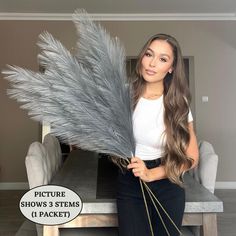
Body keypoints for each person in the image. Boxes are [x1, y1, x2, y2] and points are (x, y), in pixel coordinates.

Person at [116, 33, 199, 236]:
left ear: (171, 67)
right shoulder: (123, 96)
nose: (152, 63)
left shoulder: (179, 103)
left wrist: (153, 173)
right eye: (149, 54)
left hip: (168, 180)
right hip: (130, 178)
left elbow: (192, 157)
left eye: (162, 59)